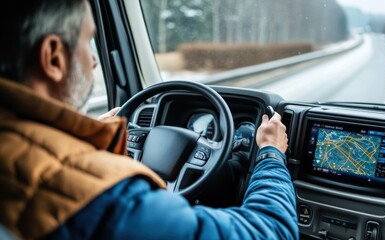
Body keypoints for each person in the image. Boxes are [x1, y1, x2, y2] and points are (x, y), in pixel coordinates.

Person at [0, 0, 299, 239]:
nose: (93, 60)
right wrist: (270, 155)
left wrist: (86, 144)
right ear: (53, 58)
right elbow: (272, 231)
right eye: (88, 42)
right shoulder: (104, 201)